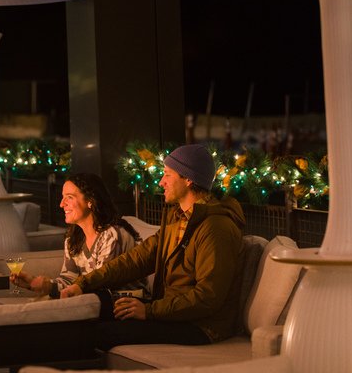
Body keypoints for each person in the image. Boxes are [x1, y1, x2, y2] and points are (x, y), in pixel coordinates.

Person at [61, 144, 246, 350]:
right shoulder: (177, 218)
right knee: (93, 307)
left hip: (200, 326)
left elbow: (208, 297)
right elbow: (137, 259)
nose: (161, 182)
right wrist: (83, 284)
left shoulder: (215, 227)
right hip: (168, 311)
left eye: (167, 175)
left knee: (101, 332)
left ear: (188, 179)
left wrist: (149, 311)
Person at [11, 173, 148, 298]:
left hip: (125, 306)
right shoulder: (73, 239)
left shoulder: (112, 235)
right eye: (62, 197)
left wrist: (54, 290)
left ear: (90, 201)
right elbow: (69, 280)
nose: (61, 204)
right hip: (94, 303)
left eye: (69, 197)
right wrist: (40, 285)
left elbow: (101, 284)